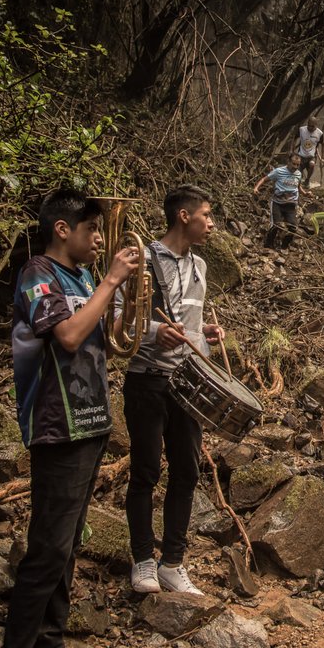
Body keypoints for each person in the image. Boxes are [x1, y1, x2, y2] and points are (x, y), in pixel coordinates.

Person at [0, 190, 140, 648]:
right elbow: (71, 335)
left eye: (103, 231)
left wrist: (143, 321)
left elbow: (112, 337)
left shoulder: (81, 279)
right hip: (57, 427)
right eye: (92, 231)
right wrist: (112, 281)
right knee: (46, 552)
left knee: (67, 545)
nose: (101, 240)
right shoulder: (38, 274)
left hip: (92, 422)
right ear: (62, 229)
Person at [120, 186, 223, 597]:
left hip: (188, 383)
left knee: (187, 471)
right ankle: (142, 560)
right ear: (184, 216)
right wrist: (151, 332)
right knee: (145, 470)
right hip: (146, 379)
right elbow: (117, 323)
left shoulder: (200, 265)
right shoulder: (140, 261)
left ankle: (173, 564)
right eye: (206, 214)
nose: (211, 223)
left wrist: (207, 336)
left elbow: (191, 326)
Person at [254, 153, 310, 250]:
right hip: (278, 203)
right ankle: (268, 245)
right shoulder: (278, 171)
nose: (295, 167)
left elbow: (298, 185)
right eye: (293, 164)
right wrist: (256, 188)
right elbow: (264, 179)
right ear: (288, 162)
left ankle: (284, 247)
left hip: (291, 205)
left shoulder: (298, 173)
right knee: (276, 225)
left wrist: (305, 193)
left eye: (298, 165)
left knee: (293, 228)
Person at [292, 115, 324, 188]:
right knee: (297, 178)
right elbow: (294, 138)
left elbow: (323, 145)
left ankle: (307, 180)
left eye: (312, 126)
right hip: (301, 156)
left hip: (311, 156)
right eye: (309, 126)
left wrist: (322, 158)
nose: (310, 128)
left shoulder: (319, 133)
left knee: (312, 164)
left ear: (316, 125)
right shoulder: (301, 130)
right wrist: (292, 151)